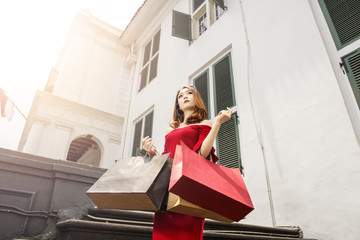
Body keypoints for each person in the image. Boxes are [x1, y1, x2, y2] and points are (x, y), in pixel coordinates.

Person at [141, 86, 232, 240]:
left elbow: (203, 153)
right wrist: (151, 153)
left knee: (188, 234)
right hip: (167, 187)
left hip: (189, 185)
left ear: (196, 98)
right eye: (180, 96)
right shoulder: (170, 129)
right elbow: (166, 156)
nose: (184, 96)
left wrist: (217, 124)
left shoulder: (204, 123)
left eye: (189, 93)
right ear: (178, 105)